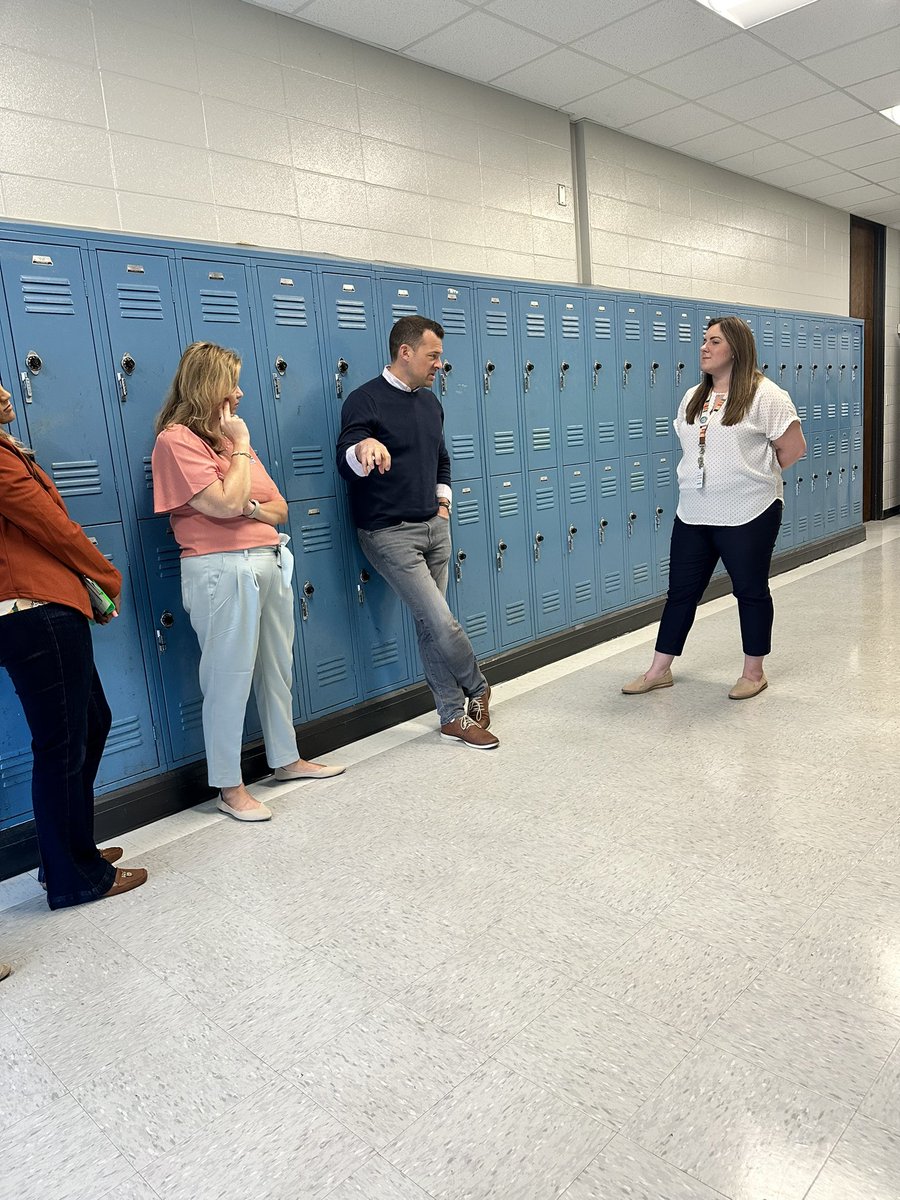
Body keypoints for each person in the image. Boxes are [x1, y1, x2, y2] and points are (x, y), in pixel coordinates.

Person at [151, 342, 344, 822]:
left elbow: (279, 507)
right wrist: (238, 453)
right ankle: (229, 786)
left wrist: (249, 505)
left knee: (278, 668)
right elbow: (219, 505)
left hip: (268, 561)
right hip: (220, 570)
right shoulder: (176, 441)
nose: (239, 393)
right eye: (231, 383)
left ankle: (285, 759)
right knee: (227, 678)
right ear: (207, 386)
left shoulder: (232, 441)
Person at [0, 381, 147, 908]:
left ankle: (65, 853)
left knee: (90, 724)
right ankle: (72, 876)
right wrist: (103, 574)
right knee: (61, 743)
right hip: (34, 610)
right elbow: (52, 527)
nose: (5, 391)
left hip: (38, 609)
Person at [622, 315, 806, 700]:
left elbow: (793, 450)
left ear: (736, 349)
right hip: (694, 511)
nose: (704, 347)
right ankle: (660, 669)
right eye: (704, 340)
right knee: (681, 593)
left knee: (750, 590)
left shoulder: (766, 395)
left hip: (750, 511)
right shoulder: (693, 396)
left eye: (714, 341)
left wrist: (748, 477)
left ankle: (753, 673)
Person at [336, 316, 497, 749]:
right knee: (442, 622)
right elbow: (345, 459)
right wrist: (362, 450)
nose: (439, 365)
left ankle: (451, 716)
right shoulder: (364, 400)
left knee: (430, 625)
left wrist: (443, 504)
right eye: (434, 356)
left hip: (434, 528)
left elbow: (441, 459)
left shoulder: (430, 403)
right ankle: (478, 685)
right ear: (405, 352)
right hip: (388, 534)